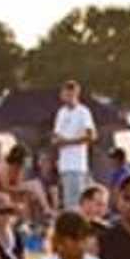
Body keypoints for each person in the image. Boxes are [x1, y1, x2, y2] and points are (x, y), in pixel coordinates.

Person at [52, 81, 96, 215]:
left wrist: (69, 142)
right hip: (64, 164)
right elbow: (56, 137)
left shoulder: (83, 112)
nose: (67, 96)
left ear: (76, 94)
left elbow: (91, 136)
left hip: (77, 164)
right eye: (65, 93)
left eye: (70, 93)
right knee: (68, 202)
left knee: (77, 202)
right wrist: (58, 142)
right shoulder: (61, 113)